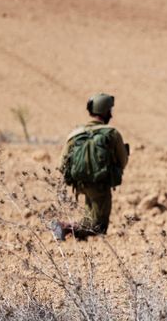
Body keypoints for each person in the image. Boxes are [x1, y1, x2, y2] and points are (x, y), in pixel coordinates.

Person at [50, 93, 129, 241]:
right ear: (106, 112)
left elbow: (62, 164)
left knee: (89, 219)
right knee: (98, 226)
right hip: (101, 184)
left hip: (80, 184)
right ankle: (63, 227)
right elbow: (123, 161)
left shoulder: (76, 133)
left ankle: (80, 244)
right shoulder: (112, 133)